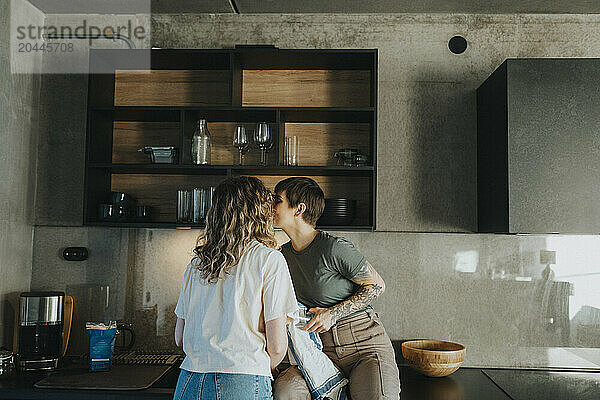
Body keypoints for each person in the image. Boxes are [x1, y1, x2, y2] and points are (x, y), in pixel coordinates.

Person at [272, 177, 400, 400]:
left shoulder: (332, 247)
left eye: (277, 200)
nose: (271, 206)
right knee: (286, 392)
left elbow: (377, 285)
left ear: (299, 209)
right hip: (317, 351)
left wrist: (332, 314)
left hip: (364, 345)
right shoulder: (281, 256)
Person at [173, 176, 299, 400]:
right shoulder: (269, 259)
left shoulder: (196, 264)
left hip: (190, 381)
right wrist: (258, 366)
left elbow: (180, 338)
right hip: (243, 379)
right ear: (260, 212)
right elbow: (278, 347)